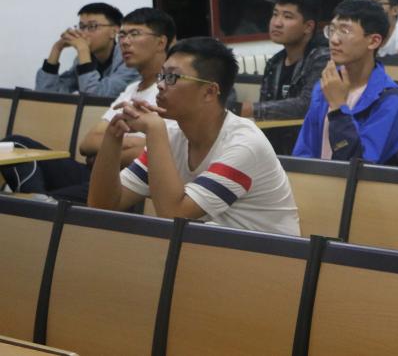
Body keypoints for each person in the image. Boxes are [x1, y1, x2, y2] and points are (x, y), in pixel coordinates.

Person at [88, 37, 300, 236]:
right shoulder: (172, 134)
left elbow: (173, 217)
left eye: (172, 77)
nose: (160, 85)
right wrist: (113, 136)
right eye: (161, 75)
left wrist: (155, 131)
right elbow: (102, 205)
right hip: (208, 249)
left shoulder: (244, 145)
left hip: (264, 256)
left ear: (209, 92)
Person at [2, 8, 177, 200]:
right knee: (14, 144)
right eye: (123, 35)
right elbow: (87, 143)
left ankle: (38, 204)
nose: (125, 42)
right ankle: (39, 201)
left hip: (129, 182)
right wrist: (56, 50)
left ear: (161, 42)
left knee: (43, 201)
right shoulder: (132, 88)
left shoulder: (171, 90)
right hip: (98, 173)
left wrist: (103, 154)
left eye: (134, 34)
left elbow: (155, 152)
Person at [292, 0, 398, 164]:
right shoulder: (325, 86)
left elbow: (360, 165)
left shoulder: (391, 101)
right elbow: (303, 153)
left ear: (373, 41)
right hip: (319, 180)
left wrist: (338, 108)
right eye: (332, 30)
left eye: (345, 31)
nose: (334, 39)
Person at [235, 0, 331, 120]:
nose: (277, 23)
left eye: (287, 17)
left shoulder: (323, 58)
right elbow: (265, 114)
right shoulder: (274, 63)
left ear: (308, 27)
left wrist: (250, 109)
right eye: (275, 15)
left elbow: (307, 105)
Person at [36, 2, 139, 96]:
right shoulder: (84, 58)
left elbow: (96, 99)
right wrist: (57, 48)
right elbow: (45, 94)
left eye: (92, 26)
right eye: (81, 27)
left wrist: (83, 50)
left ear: (114, 31)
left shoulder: (131, 59)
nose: (84, 33)